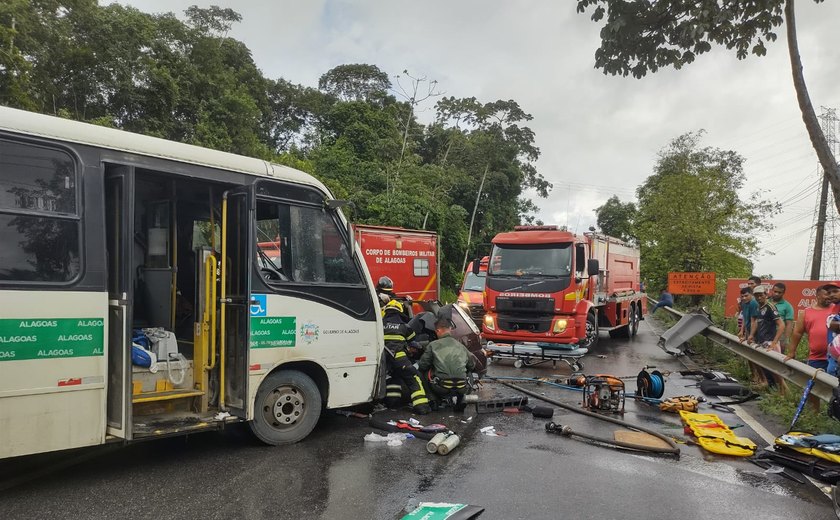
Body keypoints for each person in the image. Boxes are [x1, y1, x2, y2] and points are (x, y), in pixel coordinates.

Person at [788, 284, 836, 410]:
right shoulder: (806, 312)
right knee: (814, 389)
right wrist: (791, 352)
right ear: (818, 295)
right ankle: (814, 415)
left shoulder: (836, 310)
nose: (830, 296)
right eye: (827, 293)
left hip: (835, 358)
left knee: (836, 389)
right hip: (816, 358)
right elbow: (797, 332)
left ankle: (833, 414)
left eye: (832, 293)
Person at [381, 299, 430, 415]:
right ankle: (421, 407)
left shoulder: (380, 324)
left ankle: (392, 403)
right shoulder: (404, 326)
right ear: (399, 312)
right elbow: (413, 342)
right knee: (413, 378)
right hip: (399, 358)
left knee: (394, 377)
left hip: (383, 360)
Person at [417, 316, 476, 412]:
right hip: (462, 386)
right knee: (468, 371)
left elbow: (423, 365)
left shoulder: (433, 345)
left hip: (440, 386)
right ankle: (462, 398)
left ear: (438, 331)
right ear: (450, 330)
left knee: (421, 372)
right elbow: (472, 365)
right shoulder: (461, 345)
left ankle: (433, 399)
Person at [749, 285, 785, 390]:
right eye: (756, 296)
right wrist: (751, 335)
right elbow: (756, 322)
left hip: (770, 342)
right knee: (766, 368)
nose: (759, 298)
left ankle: (785, 394)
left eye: (761, 295)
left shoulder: (770, 307)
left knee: (775, 371)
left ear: (766, 294)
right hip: (762, 341)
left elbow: (781, 324)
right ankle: (772, 390)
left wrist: (774, 342)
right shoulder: (759, 307)